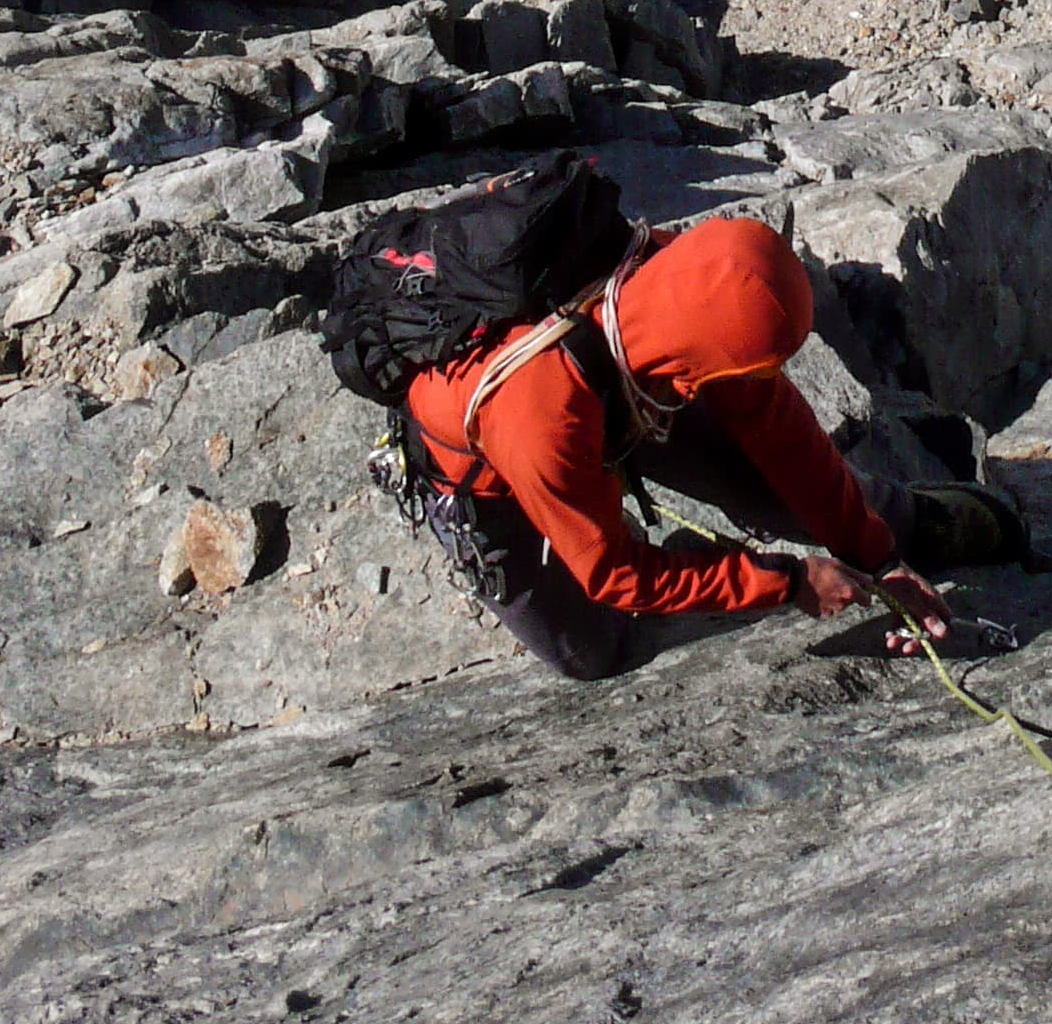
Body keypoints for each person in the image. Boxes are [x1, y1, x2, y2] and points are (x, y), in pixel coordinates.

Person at [405, 211, 1008, 679]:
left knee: (776, 488)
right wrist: (785, 581)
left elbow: (781, 436)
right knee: (590, 651)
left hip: (620, 386)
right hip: (498, 464)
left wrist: (878, 554)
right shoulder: (541, 415)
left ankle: (931, 518)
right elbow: (611, 575)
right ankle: (669, 551)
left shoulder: (692, 280)